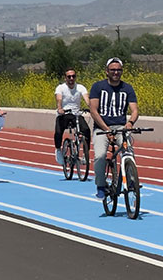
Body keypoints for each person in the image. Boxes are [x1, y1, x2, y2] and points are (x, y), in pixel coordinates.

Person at [89, 57, 139, 199]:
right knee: (100, 156)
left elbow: (135, 110)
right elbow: (93, 111)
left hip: (120, 127)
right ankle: (100, 185)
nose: (116, 72)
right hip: (101, 128)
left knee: (128, 151)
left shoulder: (127, 88)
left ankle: (131, 181)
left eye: (118, 70)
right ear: (107, 72)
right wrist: (106, 128)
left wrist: (130, 123)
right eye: (113, 70)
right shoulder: (98, 87)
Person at [53, 69, 91, 166]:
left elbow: (87, 99)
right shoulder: (60, 88)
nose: (71, 78)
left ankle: (85, 155)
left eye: (73, 76)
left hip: (76, 114)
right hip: (64, 114)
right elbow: (59, 98)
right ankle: (58, 150)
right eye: (69, 76)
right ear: (65, 78)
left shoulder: (80, 87)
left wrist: (91, 107)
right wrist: (60, 108)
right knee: (58, 132)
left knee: (86, 130)